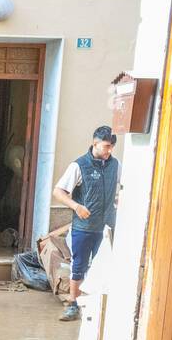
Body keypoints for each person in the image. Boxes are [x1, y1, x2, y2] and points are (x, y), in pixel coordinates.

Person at [51, 125, 120, 321]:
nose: (109, 151)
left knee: (103, 266)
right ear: (95, 143)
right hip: (84, 228)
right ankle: (73, 304)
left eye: (112, 147)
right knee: (79, 265)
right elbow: (58, 191)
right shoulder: (79, 165)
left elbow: (121, 188)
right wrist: (76, 206)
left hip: (106, 228)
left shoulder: (116, 165)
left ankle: (96, 306)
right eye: (106, 146)